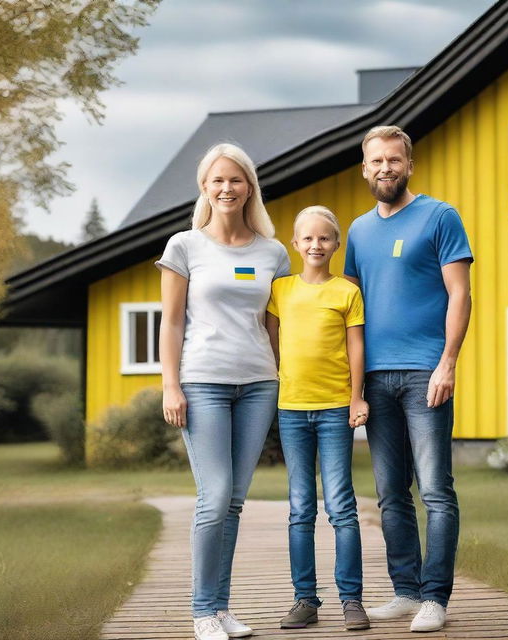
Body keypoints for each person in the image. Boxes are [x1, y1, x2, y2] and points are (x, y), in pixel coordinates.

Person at [156, 143, 290, 640]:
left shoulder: (272, 252)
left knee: (233, 501)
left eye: (235, 180)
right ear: (204, 188)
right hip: (202, 382)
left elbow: (276, 327)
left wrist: (286, 378)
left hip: (258, 385)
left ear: (249, 186)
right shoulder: (184, 246)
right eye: (217, 180)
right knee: (213, 497)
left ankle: (221, 606)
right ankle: (201, 612)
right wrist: (171, 385)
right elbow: (170, 324)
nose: (227, 188)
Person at [344, 126, 473, 633]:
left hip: (425, 373)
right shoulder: (356, 231)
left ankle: (435, 599)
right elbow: (352, 309)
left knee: (436, 489)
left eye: (393, 160)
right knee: (391, 492)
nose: (384, 168)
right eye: (375, 161)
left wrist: (447, 362)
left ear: (409, 164)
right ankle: (405, 591)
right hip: (375, 376)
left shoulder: (440, 216)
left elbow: (459, 294)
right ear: (364, 169)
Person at [266, 206, 371, 632]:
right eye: (307, 238)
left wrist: (355, 398)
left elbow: (357, 348)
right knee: (300, 507)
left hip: (333, 409)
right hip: (292, 409)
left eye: (324, 238)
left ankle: (351, 600)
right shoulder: (281, 290)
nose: (315, 245)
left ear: (335, 244)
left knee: (342, 506)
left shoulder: (346, 292)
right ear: (295, 244)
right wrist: (282, 380)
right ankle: (305, 599)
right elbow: (271, 341)